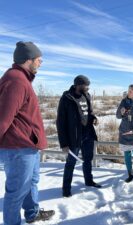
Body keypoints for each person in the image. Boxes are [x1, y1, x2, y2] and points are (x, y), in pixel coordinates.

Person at [0, 41, 55, 224]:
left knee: (31, 182)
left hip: (27, 146)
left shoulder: (20, 79)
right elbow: (3, 118)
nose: (40, 63)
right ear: (28, 60)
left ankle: (32, 213)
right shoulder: (16, 80)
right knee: (16, 193)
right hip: (18, 148)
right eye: (39, 60)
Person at [56, 75, 101, 198]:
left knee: (88, 159)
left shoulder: (87, 95)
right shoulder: (66, 98)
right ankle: (66, 189)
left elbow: (89, 112)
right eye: (86, 85)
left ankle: (89, 181)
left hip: (88, 134)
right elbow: (60, 122)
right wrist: (63, 143)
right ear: (78, 85)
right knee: (70, 163)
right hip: (73, 137)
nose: (87, 87)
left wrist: (94, 118)